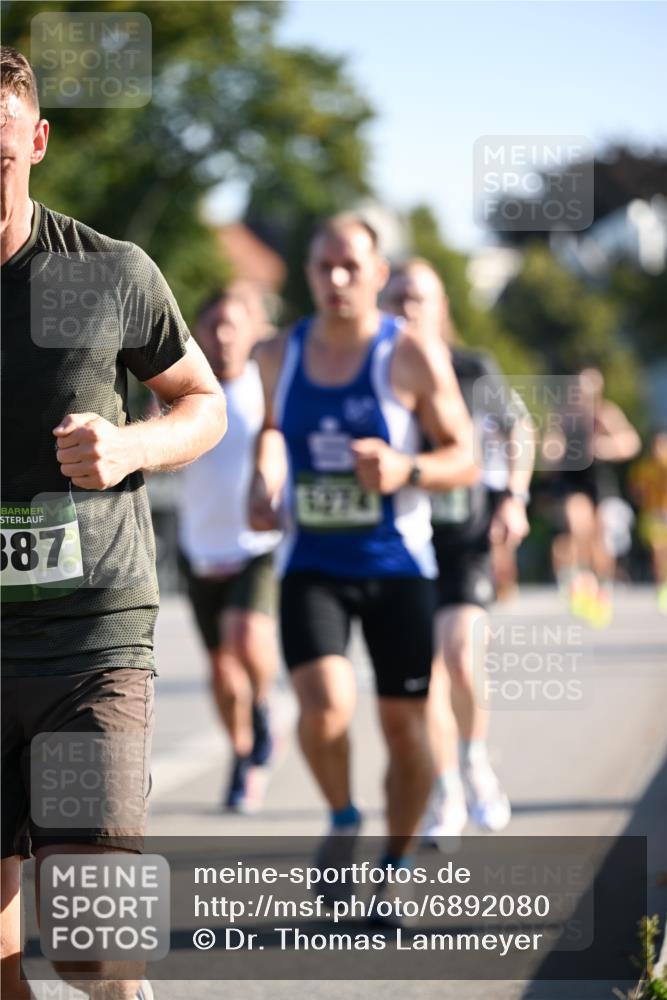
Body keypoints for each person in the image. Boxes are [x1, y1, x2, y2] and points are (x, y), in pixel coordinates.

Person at [1, 47, 227, 1000]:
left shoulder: (106, 273)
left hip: (87, 639)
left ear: (37, 142)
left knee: (92, 943)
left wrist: (131, 445)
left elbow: (204, 403)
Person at [249, 214, 477, 888]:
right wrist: (264, 480)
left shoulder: (408, 354)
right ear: (308, 274)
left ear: (378, 274)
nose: (337, 279)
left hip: (397, 566)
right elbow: (269, 429)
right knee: (323, 710)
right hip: (311, 564)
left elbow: (464, 456)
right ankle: (344, 815)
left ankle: (396, 863)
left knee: (406, 729)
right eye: (324, 266)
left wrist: (407, 469)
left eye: (351, 266)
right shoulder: (277, 354)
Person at [383, 259, 535, 837]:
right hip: (406, 543)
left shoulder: (473, 368)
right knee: (423, 677)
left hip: (465, 538)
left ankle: (475, 763)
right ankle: (444, 791)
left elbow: (519, 430)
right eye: (397, 297)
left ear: (441, 306)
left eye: (418, 297)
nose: (407, 308)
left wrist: (514, 497)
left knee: (460, 657)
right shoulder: (376, 373)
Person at [178, 284, 284, 811]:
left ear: (252, 333)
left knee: (245, 635)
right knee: (221, 670)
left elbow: (277, 440)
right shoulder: (182, 390)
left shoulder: (266, 386)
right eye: (213, 325)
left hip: (254, 545)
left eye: (233, 326)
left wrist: (270, 482)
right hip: (199, 547)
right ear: (198, 333)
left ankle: (262, 706)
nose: (222, 336)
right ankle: (242, 754)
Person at [544, 367, 640, 626]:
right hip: (571, 479)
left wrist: (608, 446)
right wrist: (552, 452)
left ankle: (602, 584)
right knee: (578, 525)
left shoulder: (605, 413)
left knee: (600, 537)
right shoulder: (564, 414)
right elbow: (551, 444)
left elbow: (631, 442)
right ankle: (579, 580)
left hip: (598, 479)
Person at [629, 431, 667, 614]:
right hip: (653, 515)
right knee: (658, 551)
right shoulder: (644, 468)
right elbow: (636, 491)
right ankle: (662, 587)